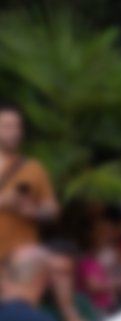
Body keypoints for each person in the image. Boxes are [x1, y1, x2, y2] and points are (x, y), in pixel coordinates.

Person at [0, 103, 59, 261]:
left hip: (21, 262)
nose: (14, 132)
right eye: (7, 126)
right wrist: (4, 201)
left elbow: (53, 211)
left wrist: (34, 211)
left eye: (17, 127)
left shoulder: (33, 168)